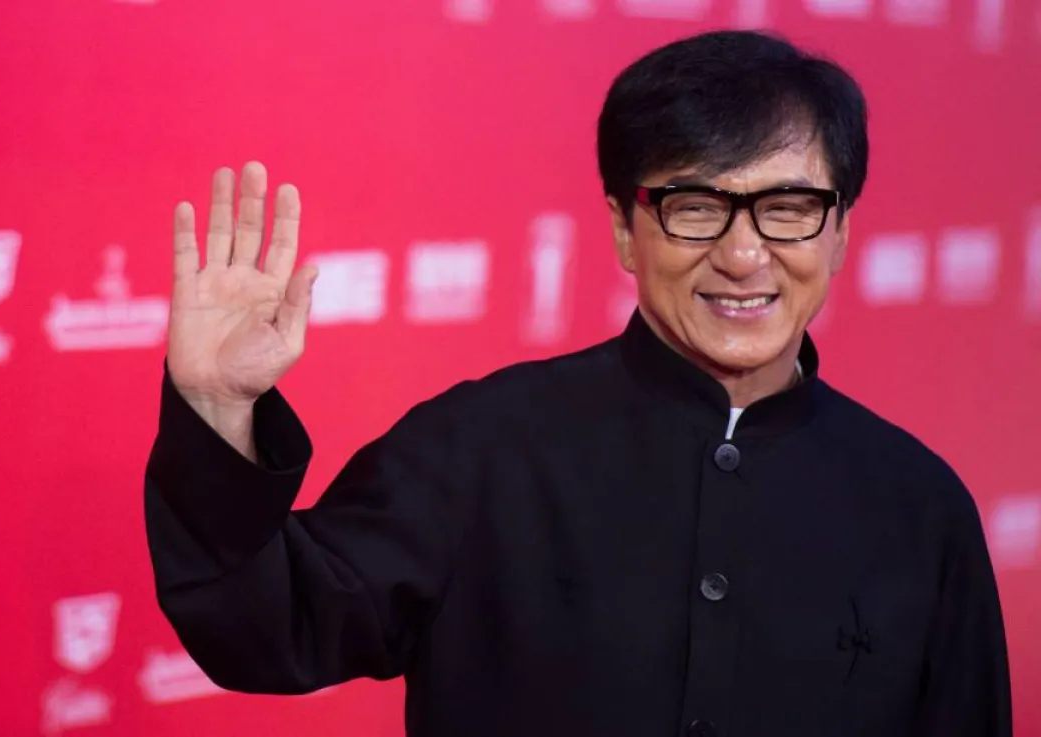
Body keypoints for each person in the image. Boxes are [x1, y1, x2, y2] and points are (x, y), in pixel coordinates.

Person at [143, 29, 1012, 737]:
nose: (744, 254)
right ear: (627, 231)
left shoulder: (921, 508)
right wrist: (218, 406)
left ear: (840, 233)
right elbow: (266, 626)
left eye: (788, 208)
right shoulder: (476, 447)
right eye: (694, 204)